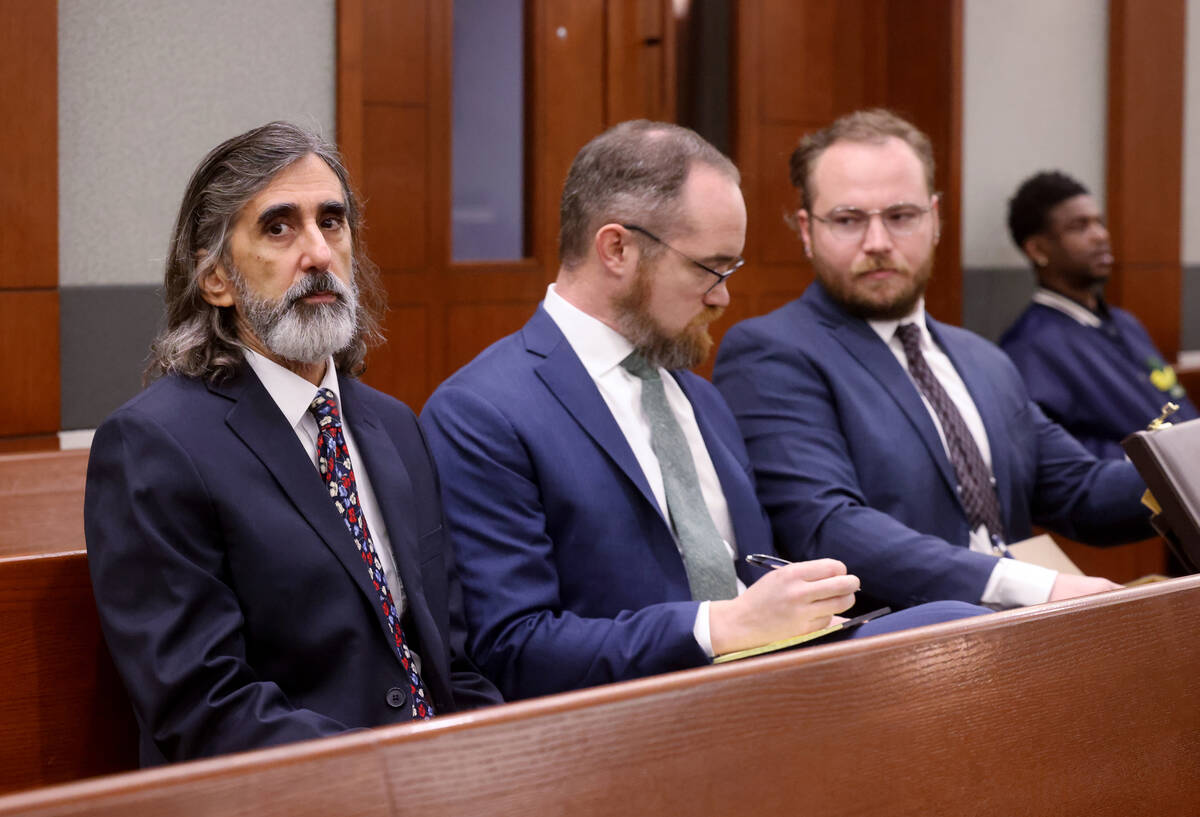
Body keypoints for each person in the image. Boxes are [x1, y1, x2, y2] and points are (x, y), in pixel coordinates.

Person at [420, 120, 984, 702]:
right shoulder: (482, 412)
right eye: (708, 268)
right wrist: (722, 626)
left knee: (962, 629)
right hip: (633, 725)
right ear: (617, 249)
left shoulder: (700, 397)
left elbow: (753, 577)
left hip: (768, 688)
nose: (722, 297)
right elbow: (514, 648)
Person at [85, 122, 500, 766]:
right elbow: (204, 707)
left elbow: (453, 661)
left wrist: (504, 763)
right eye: (279, 228)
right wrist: (403, 776)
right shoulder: (154, 445)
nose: (319, 254)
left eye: (331, 223)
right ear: (217, 279)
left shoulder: (395, 426)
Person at [713, 109, 1151, 612]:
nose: (877, 243)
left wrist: (1185, 463)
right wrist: (1032, 586)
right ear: (809, 231)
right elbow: (828, 527)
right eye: (849, 220)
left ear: (936, 219)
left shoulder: (983, 358)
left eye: (901, 217)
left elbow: (1082, 494)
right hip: (895, 661)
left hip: (1026, 644)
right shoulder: (772, 352)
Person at [999, 170, 1198, 458]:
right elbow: (1059, 464)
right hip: (1143, 496)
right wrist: (1163, 466)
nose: (1100, 236)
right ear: (1037, 249)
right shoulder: (1029, 348)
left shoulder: (1126, 324)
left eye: (1099, 223)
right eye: (1080, 227)